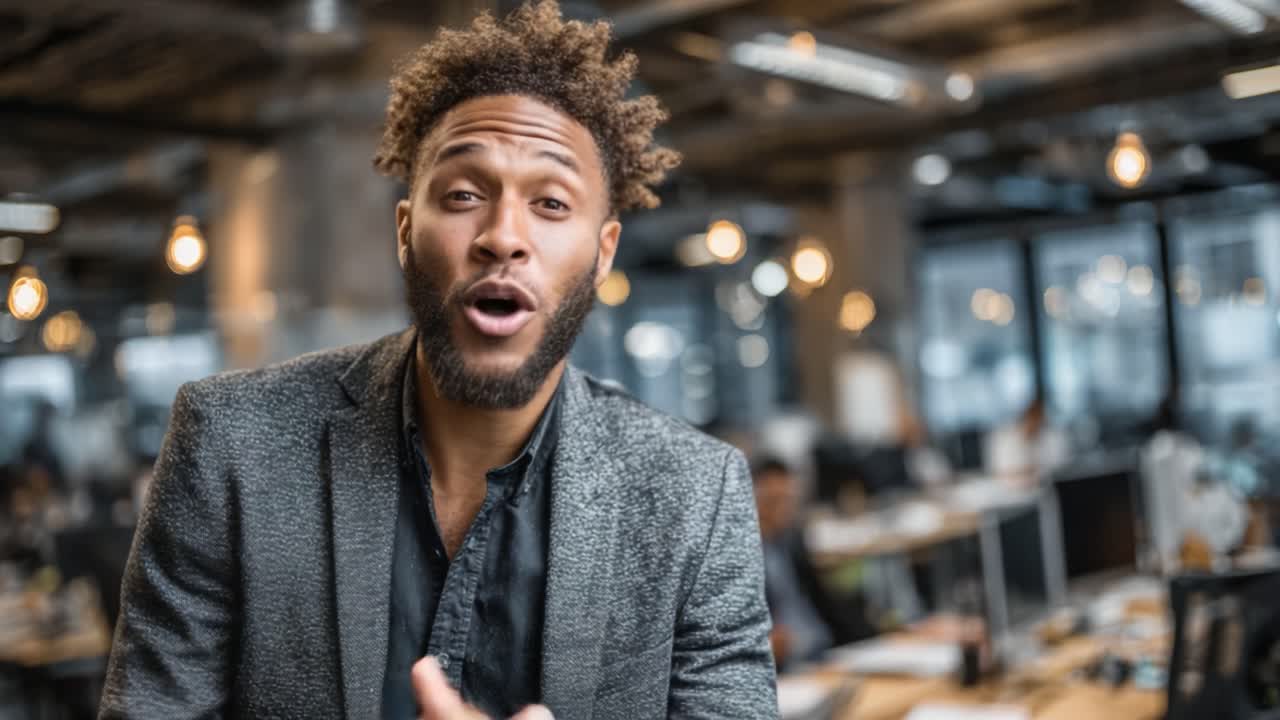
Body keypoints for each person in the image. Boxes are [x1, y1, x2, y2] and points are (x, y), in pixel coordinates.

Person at [98, 3, 776, 719]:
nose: (502, 236)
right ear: (404, 230)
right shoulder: (231, 445)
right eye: (461, 195)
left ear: (604, 252)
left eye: (550, 202)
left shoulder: (697, 498)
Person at [753, 457, 875, 671]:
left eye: (788, 500)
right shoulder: (740, 558)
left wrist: (880, 635)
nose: (783, 510)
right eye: (773, 501)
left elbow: (826, 602)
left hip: (827, 650)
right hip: (789, 665)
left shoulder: (792, 541)